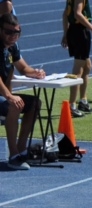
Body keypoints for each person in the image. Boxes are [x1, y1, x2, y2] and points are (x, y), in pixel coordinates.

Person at [0, 13, 45, 171]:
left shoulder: (12, 48)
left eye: (17, 33)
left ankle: (21, 148)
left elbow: (23, 68)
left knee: (35, 103)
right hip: (2, 95)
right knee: (15, 104)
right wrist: (9, 96)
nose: (13, 36)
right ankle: (13, 156)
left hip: (3, 95)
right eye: (8, 32)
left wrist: (35, 72)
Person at [61, 0, 92, 118]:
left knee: (87, 66)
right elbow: (77, 14)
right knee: (78, 69)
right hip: (80, 31)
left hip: (74, 31)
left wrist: (66, 33)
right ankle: (72, 105)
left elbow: (65, 14)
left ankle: (83, 101)